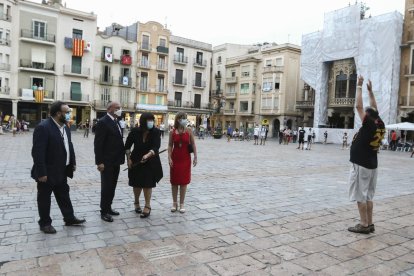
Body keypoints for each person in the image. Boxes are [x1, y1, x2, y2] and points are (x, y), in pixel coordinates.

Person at [31, 101, 85, 234]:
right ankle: (45, 223)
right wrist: (41, 172)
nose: (69, 114)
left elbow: (69, 145)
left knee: (64, 195)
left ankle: (69, 218)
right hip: (47, 172)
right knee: (44, 198)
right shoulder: (43, 127)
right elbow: (37, 152)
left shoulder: (65, 127)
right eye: (67, 112)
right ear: (58, 113)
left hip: (62, 170)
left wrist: (72, 162)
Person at [348, 76, 385, 234]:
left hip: (361, 163)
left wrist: (359, 86)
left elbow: (358, 106)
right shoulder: (379, 123)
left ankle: (363, 225)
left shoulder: (369, 124)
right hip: (372, 163)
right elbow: (373, 107)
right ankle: (369, 223)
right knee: (369, 196)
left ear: (368, 117)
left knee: (360, 195)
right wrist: (371, 92)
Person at [125, 113, 163, 218]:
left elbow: (156, 147)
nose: (151, 122)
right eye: (149, 120)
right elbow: (127, 146)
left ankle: (147, 205)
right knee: (136, 183)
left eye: (152, 120)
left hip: (150, 160)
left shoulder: (156, 132)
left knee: (148, 183)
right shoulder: (135, 131)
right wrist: (128, 159)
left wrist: (148, 155)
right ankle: (136, 203)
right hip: (136, 160)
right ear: (143, 121)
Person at [94, 101, 125, 222]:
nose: (119, 109)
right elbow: (98, 144)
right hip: (106, 161)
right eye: (117, 108)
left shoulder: (116, 121)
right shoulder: (103, 122)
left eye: (119, 107)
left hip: (116, 160)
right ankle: (104, 211)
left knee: (112, 186)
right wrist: (99, 162)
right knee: (106, 186)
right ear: (109, 109)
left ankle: (109, 207)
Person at [168, 112, 197, 213]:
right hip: (175, 158)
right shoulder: (172, 131)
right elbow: (170, 145)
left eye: (185, 118)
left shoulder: (189, 131)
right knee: (174, 182)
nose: (184, 119)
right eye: (182, 118)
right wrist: (169, 157)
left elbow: (193, 144)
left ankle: (182, 204)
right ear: (177, 120)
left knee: (184, 182)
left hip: (185, 159)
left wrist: (195, 156)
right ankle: (174, 203)